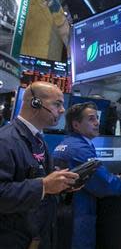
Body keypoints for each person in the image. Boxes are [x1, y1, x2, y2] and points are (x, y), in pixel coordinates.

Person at [0, 82, 79, 249]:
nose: (62, 110)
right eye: (57, 104)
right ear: (35, 103)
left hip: (38, 236)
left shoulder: (38, 139)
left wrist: (60, 184)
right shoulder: (5, 141)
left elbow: (33, 179)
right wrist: (43, 186)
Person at [52, 102, 121, 249]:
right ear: (76, 125)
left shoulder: (67, 144)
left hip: (65, 213)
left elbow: (89, 177)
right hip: (78, 215)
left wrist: (119, 178)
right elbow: (104, 185)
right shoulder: (80, 149)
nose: (97, 123)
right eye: (91, 119)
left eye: (97, 118)